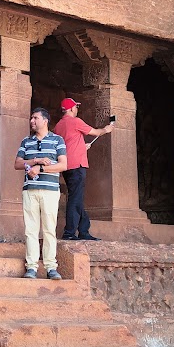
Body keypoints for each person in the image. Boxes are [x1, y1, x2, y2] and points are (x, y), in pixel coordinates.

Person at [14, 107, 67, 278]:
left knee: (49, 229)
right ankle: (32, 267)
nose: (32, 121)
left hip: (50, 190)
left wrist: (41, 168)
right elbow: (17, 163)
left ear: (45, 120)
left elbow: (63, 165)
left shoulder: (57, 140)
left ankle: (51, 267)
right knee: (31, 230)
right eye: (31, 118)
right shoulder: (26, 141)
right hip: (30, 190)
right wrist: (35, 161)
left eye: (35, 118)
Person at [55, 97, 113, 241]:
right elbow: (94, 132)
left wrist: (82, 147)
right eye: (76, 107)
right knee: (75, 199)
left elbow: (67, 144)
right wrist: (106, 129)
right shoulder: (75, 121)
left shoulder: (58, 126)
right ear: (70, 109)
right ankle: (69, 232)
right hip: (77, 166)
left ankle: (83, 230)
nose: (77, 110)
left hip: (67, 166)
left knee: (76, 197)